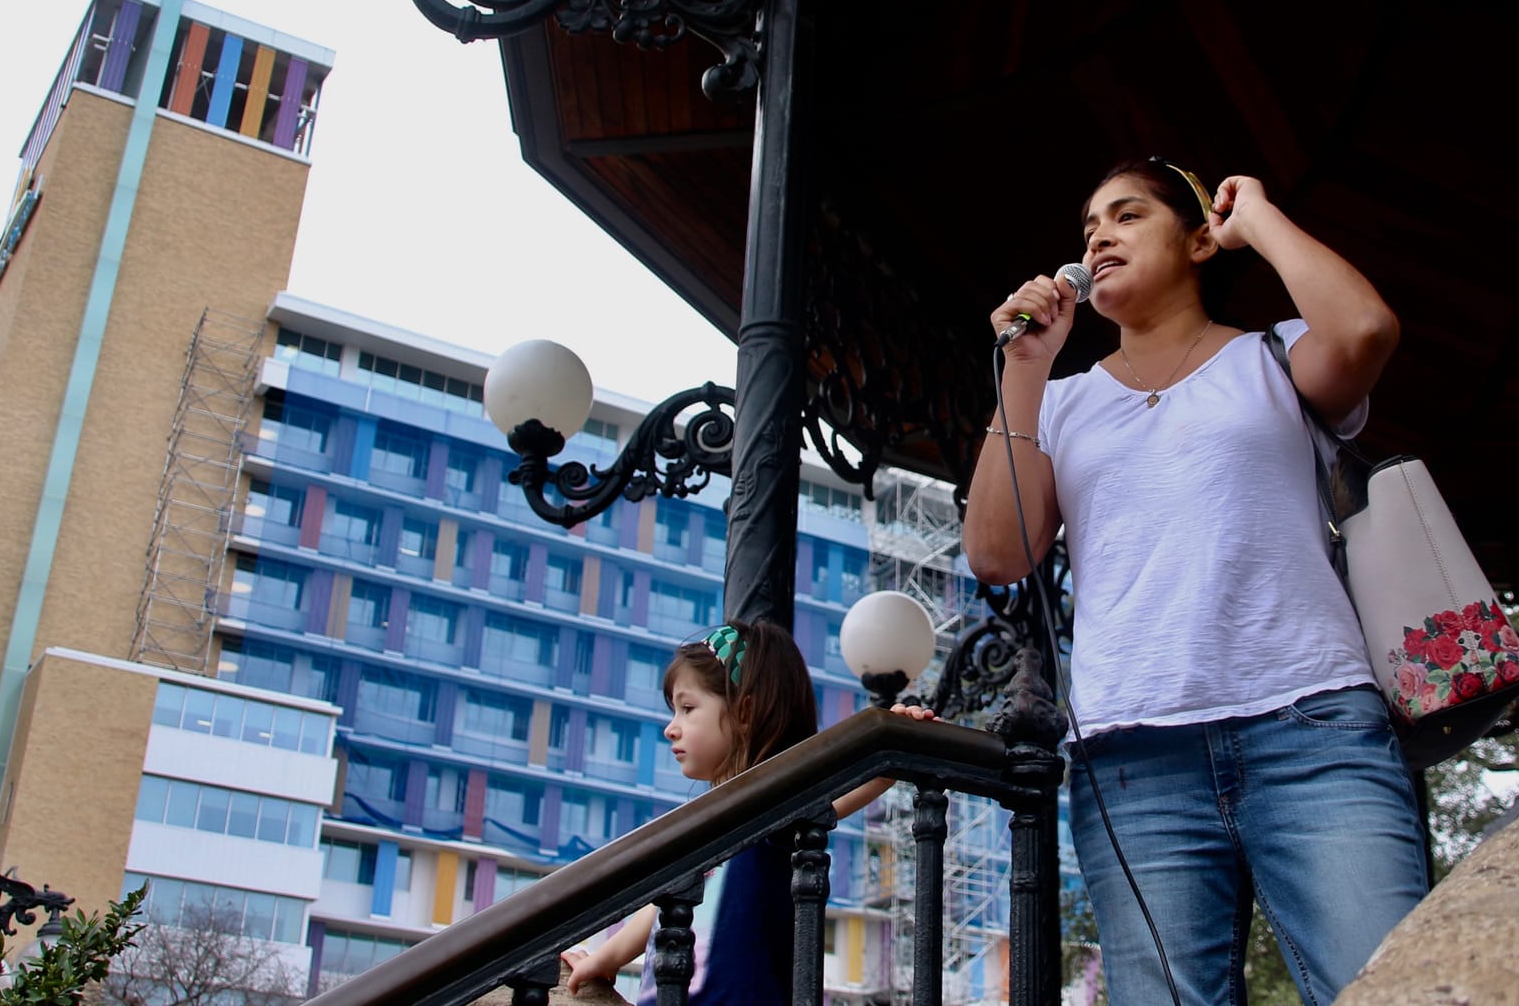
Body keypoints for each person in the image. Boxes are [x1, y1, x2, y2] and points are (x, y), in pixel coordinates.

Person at [962, 159, 1426, 1005]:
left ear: (1201, 238)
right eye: (1089, 226)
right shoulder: (1059, 403)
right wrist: (1025, 366)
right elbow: (997, 552)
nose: (1099, 236)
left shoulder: (1273, 358)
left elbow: (1363, 330)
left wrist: (1257, 217)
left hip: (1310, 724)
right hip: (1135, 758)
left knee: (1391, 985)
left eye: (1128, 215)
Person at [561, 619, 928, 1003]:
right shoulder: (704, 823)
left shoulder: (768, 809)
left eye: (687, 708)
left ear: (745, 711)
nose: (671, 728)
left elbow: (837, 794)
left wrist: (888, 751)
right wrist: (606, 958)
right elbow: (664, 901)